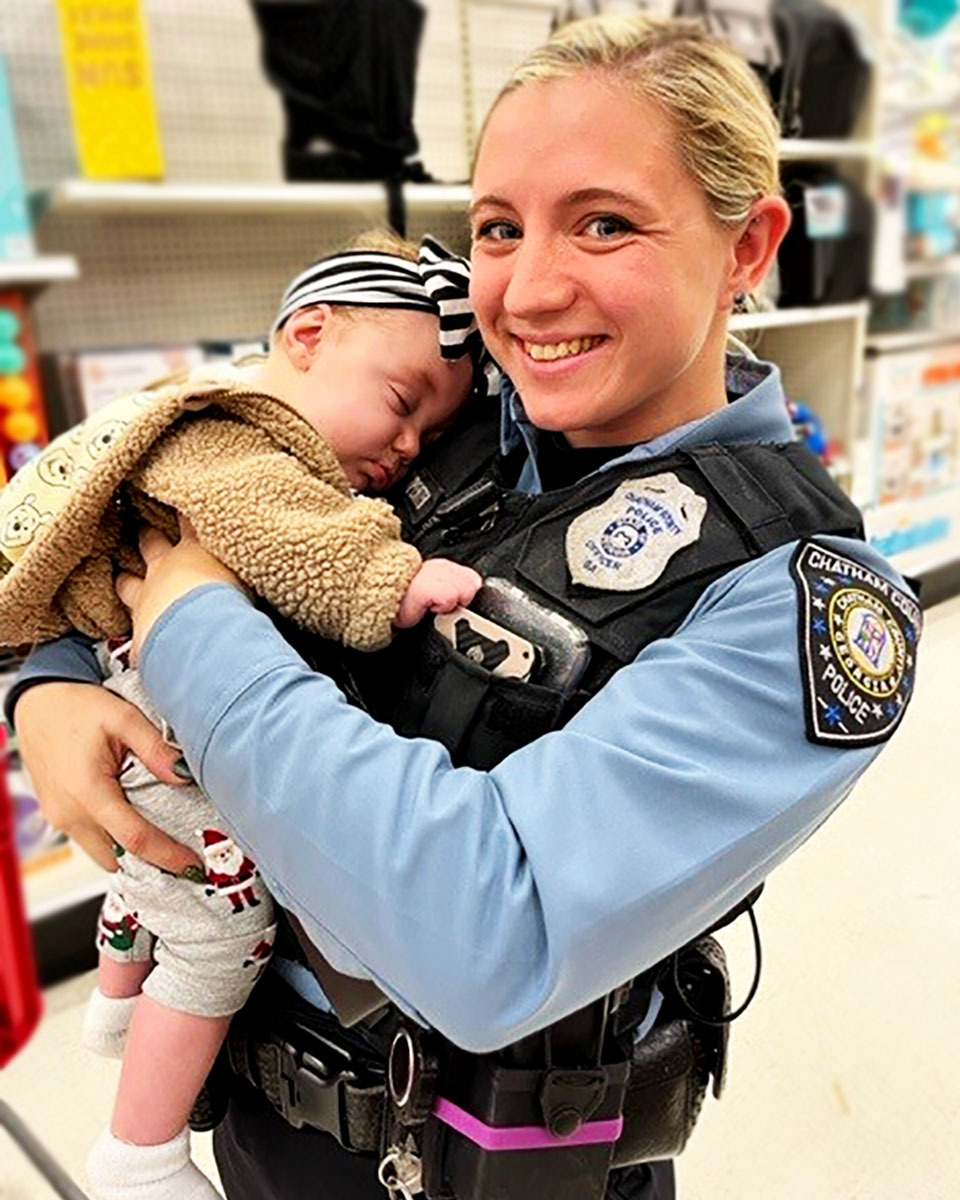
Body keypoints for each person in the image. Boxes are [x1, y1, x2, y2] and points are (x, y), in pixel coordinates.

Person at [10, 13, 922, 1200]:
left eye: (604, 223)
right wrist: (52, 680)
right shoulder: (444, 418)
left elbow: (490, 936)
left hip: (478, 1161)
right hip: (254, 1109)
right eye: (498, 227)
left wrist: (191, 623)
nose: (531, 292)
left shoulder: (796, 605)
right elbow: (157, 470)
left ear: (748, 246)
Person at [0, 229, 482, 1200]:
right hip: (163, 726)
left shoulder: (214, 417)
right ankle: (138, 1153)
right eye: (400, 405)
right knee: (223, 921)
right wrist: (398, 578)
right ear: (308, 333)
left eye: (428, 435)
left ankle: (118, 997)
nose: (404, 446)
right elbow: (291, 539)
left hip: (148, 716)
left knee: (158, 877)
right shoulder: (236, 442)